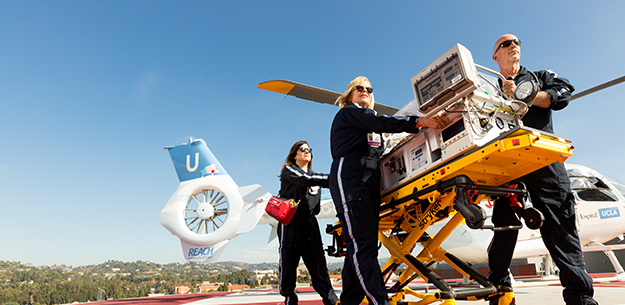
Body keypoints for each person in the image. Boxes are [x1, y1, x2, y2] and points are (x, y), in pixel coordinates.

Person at [487, 34, 597, 305]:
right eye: (506, 43)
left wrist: (526, 95)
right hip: (507, 164)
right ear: (495, 56)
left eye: (517, 42)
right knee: (504, 228)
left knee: (560, 226)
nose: (514, 45)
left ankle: (580, 298)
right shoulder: (487, 87)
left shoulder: (540, 76)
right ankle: (500, 292)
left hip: (542, 158)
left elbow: (562, 95)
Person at [328, 76, 448, 305]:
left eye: (369, 88)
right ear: (350, 94)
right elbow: (382, 122)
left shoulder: (368, 124)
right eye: (359, 88)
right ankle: (379, 301)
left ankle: (349, 301)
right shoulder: (350, 112)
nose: (365, 91)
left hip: (369, 183)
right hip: (351, 181)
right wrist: (420, 122)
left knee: (362, 245)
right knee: (363, 245)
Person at [277, 140, 339, 305]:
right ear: (294, 154)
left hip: (310, 223)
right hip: (290, 222)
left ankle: (331, 300)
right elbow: (304, 179)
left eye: (309, 149)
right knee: (288, 263)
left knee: (318, 263)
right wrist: (337, 177)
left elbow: (316, 206)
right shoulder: (289, 170)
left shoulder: (315, 178)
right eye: (302, 149)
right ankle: (290, 298)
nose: (306, 151)